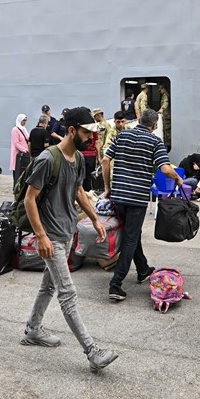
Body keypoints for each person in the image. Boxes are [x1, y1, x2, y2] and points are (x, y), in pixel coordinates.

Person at [21, 107, 118, 372]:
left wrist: (95, 219)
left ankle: (33, 330)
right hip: (51, 236)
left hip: (66, 232)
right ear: (72, 130)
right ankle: (92, 351)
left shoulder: (76, 159)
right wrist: (40, 236)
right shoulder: (47, 159)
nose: (91, 137)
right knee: (68, 293)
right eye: (87, 132)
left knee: (48, 287)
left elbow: (78, 191)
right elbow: (29, 199)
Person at [101, 108, 183, 303]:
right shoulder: (155, 141)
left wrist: (107, 187)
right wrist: (178, 179)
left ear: (138, 119)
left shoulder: (122, 135)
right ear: (154, 126)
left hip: (119, 195)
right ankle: (116, 284)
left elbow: (105, 160)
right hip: (137, 198)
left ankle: (143, 269)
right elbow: (165, 168)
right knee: (130, 239)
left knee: (133, 233)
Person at [10, 113, 31, 187]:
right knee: (17, 174)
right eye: (23, 120)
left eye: (25, 120)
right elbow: (16, 143)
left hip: (24, 156)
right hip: (18, 155)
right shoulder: (15, 130)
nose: (24, 122)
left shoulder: (24, 129)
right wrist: (25, 150)